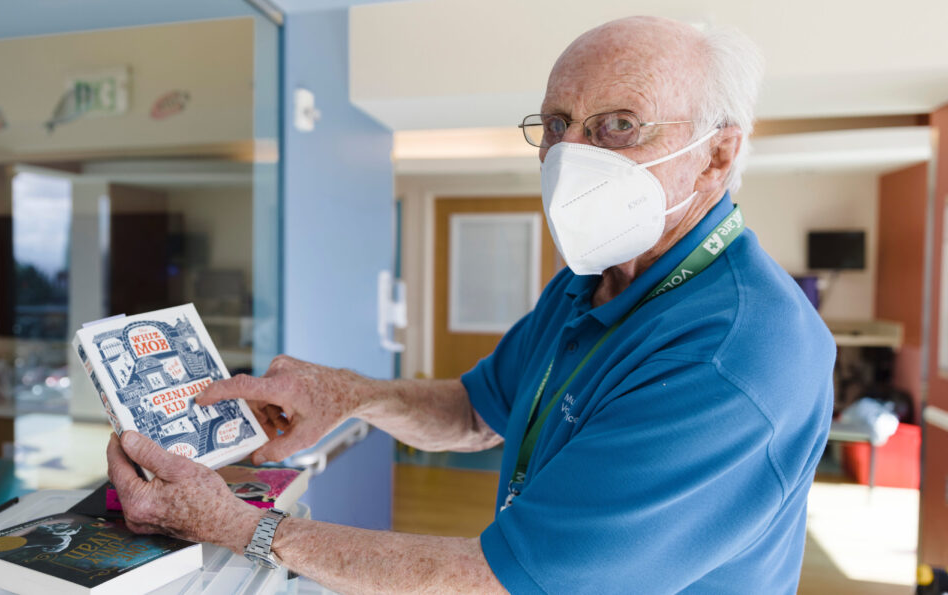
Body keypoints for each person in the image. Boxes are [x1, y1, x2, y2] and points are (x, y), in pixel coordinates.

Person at [106, 15, 834, 593]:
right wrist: (350, 393)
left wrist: (236, 525)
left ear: (716, 154)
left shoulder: (737, 353)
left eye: (618, 125)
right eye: (556, 124)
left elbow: (497, 579)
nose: (569, 156)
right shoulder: (595, 278)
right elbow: (476, 411)